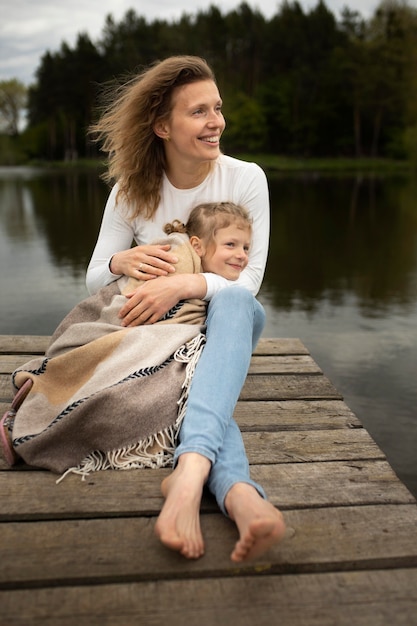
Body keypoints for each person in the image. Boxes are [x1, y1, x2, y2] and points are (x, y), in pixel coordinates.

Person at [87, 55, 286, 563]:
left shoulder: (245, 179)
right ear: (162, 126)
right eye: (198, 112)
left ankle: (188, 475)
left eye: (216, 108)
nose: (216, 121)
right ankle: (240, 495)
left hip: (226, 324)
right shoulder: (131, 191)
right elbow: (93, 278)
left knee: (236, 300)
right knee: (202, 388)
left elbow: (251, 282)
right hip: (157, 339)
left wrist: (182, 285)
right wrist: (119, 258)